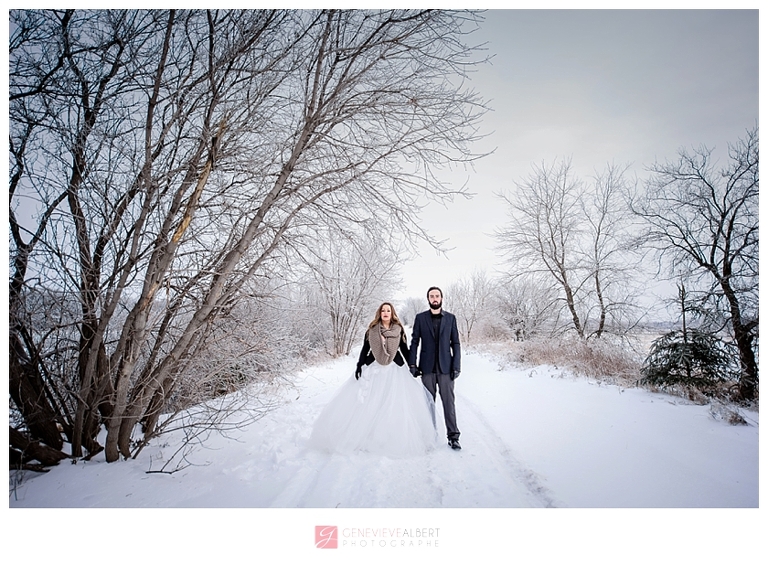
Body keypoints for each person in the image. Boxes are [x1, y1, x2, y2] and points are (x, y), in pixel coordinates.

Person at [309, 302, 437, 458]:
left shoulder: (398, 330)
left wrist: (412, 366)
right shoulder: (372, 330)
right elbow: (365, 349)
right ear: (379, 313)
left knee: (393, 403)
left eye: (388, 310)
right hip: (374, 369)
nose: (385, 313)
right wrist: (359, 366)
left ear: (392, 313)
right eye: (383, 310)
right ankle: (366, 436)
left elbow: (405, 349)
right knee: (370, 403)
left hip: (394, 370)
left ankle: (389, 437)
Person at [409, 286, 462, 450]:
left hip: (446, 368)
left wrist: (457, 365)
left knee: (449, 404)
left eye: (437, 296)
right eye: (431, 296)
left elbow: (456, 343)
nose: (434, 298)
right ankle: (429, 436)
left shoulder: (451, 318)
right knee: (428, 404)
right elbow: (415, 341)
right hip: (427, 368)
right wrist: (412, 364)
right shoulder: (420, 318)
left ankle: (453, 437)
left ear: (441, 298)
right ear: (428, 299)